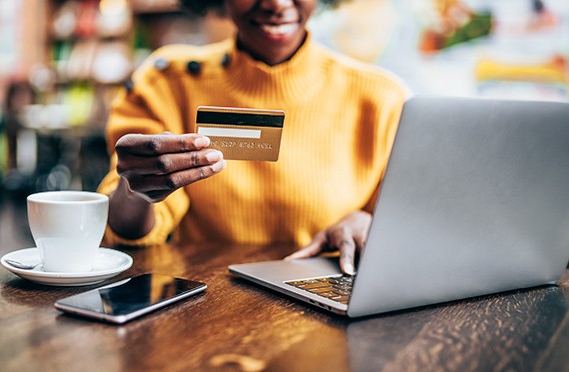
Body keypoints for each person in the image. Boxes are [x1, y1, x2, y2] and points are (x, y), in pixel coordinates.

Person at [97, 0, 409, 275]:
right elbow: (127, 229)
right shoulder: (167, 82)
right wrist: (136, 192)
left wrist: (369, 223)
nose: (276, 3)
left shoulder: (380, 98)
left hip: (323, 308)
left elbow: (408, 226)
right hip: (202, 311)